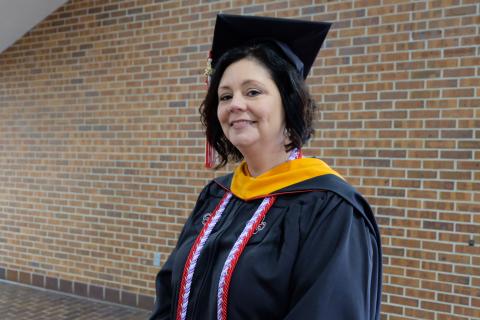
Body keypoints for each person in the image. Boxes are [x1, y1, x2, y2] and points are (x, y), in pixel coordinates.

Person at [150, 14, 382, 320]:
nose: (235, 104)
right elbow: (169, 296)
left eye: (253, 92)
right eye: (225, 95)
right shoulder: (216, 196)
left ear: (289, 102)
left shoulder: (330, 209)